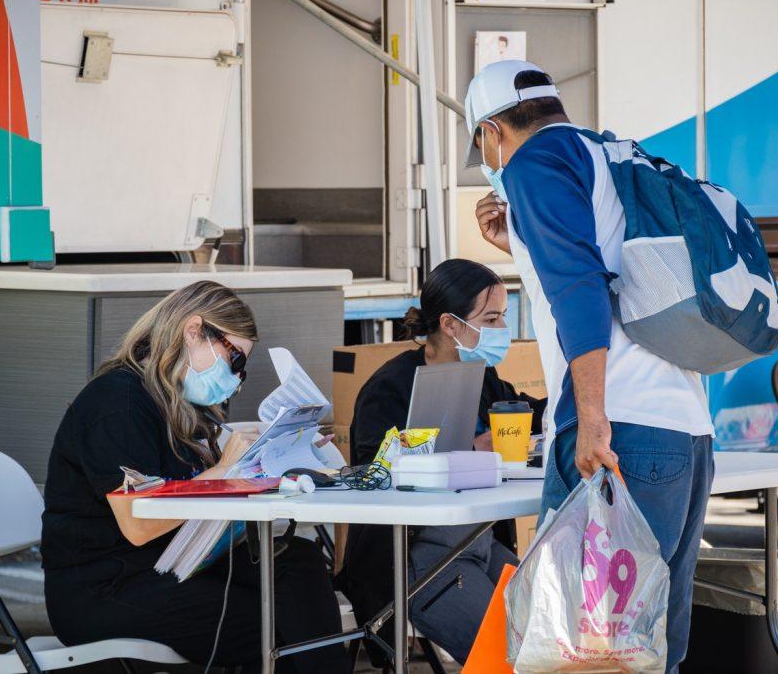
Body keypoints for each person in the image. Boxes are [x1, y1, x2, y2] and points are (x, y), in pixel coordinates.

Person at [466, 60, 715, 673]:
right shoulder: (610, 155)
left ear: (493, 131)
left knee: (579, 653)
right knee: (651, 650)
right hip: (685, 432)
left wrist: (593, 416)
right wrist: (521, 246)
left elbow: (580, 294)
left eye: (481, 144)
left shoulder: (532, 164)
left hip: (619, 431)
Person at [41, 280, 348, 672]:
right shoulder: (118, 404)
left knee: (296, 563)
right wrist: (221, 473)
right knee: (272, 622)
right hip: (105, 585)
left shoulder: (175, 405)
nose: (236, 377)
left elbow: (190, 493)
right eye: (234, 357)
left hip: (168, 563)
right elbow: (137, 524)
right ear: (193, 330)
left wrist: (274, 453)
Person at [338, 258, 545, 666]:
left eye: (503, 316)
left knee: (552, 637)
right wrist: (468, 452)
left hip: (479, 544)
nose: (501, 329)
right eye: (491, 318)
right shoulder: (388, 389)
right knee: (511, 658)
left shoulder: (482, 375)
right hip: (413, 555)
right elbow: (371, 476)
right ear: (450, 325)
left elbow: (525, 411)